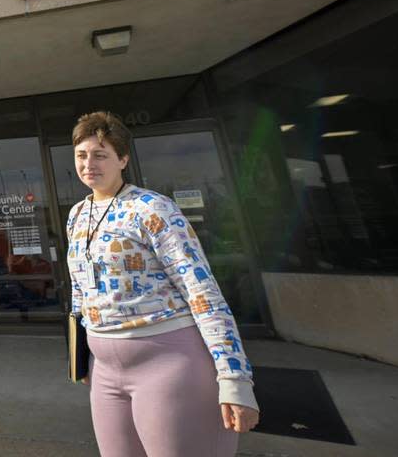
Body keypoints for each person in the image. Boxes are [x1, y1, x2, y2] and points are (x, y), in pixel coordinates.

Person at [65, 111, 259, 457]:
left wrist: (235, 377)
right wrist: (79, 357)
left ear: (123, 158)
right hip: (104, 371)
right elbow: (79, 289)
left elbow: (200, 291)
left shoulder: (152, 208)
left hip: (167, 363)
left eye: (100, 154)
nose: (89, 163)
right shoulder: (77, 214)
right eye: (81, 155)